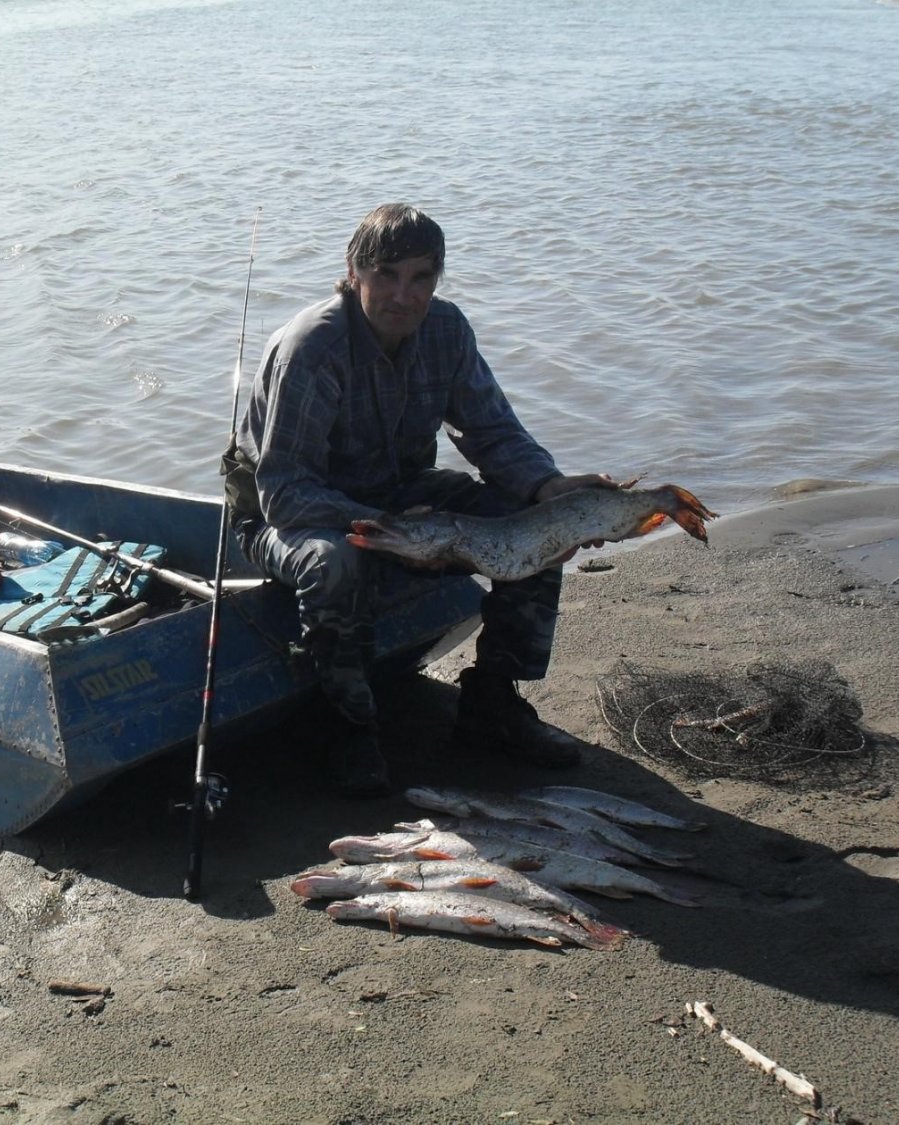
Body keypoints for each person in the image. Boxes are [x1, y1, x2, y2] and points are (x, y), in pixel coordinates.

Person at [226, 202, 618, 797]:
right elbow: (285, 491)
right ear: (353, 272)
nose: (403, 296)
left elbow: (493, 433)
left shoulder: (446, 330)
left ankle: (492, 702)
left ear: (437, 279)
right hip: (285, 516)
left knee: (533, 526)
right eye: (386, 275)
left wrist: (548, 488)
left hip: (399, 492)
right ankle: (349, 727)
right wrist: (394, 529)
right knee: (335, 562)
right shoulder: (313, 348)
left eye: (420, 278)